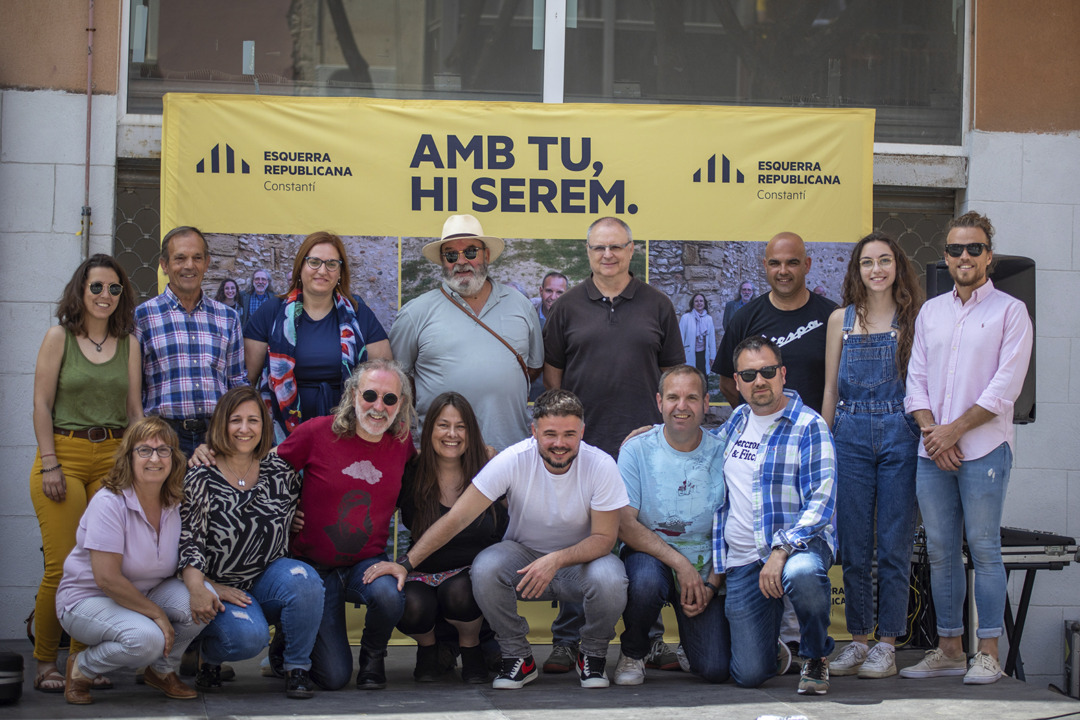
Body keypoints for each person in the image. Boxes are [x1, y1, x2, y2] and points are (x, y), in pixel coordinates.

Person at [366, 389, 629, 690]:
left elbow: (604, 539)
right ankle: (518, 657)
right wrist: (406, 563)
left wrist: (555, 560)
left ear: (582, 431)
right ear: (534, 431)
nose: (559, 443)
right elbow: (456, 518)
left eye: (570, 434)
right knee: (485, 566)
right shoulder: (514, 459)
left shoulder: (601, 464)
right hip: (524, 559)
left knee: (611, 576)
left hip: (581, 563)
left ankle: (592, 655)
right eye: (550, 434)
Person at [541, 216, 683, 672]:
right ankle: (568, 640)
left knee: (646, 541)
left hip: (644, 448)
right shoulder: (565, 307)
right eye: (599, 248)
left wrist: (662, 432)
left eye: (616, 247)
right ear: (587, 252)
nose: (608, 255)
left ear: (631, 250)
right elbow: (553, 379)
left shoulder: (658, 305)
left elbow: (673, 377)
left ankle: (650, 639)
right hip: (582, 447)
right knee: (578, 541)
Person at [899, 211, 1033, 685]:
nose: (964, 257)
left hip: (984, 448)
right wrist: (934, 433)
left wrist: (953, 431)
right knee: (939, 551)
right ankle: (951, 648)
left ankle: (989, 653)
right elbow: (915, 381)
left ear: (989, 256)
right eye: (955, 249)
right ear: (946, 256)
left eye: (973, 249)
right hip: (934, 450)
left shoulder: (1011, 312)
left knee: (983, 548)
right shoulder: (931, 312)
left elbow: (1004, 390)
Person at [29, 254, 142, 694]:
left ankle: (78, 662)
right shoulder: (60, 337)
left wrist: (133, 465)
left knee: (97, 569)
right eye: (96, 287)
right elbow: (40, 404)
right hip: (64, 456)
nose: (105, 296)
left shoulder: (130, 343)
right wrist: (51, 461)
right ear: (81, 290)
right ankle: (43, 663)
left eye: (114, 289)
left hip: (112, 459)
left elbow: (134, 411)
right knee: (60, 566)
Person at [274, 359, 416, 690]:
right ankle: (287, 635)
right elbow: (267, 473)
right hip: (315, 569)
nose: (379, 407)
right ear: (353, 394)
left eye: (390, 399)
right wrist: (286, 512)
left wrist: (482, 454)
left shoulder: (401, 444)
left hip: (365, 564)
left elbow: (429, 479)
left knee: (390, 594)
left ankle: (373, 657)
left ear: (401, 405)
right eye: (370, 395)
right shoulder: (315, 432)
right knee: (333, 677)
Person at [820, 233, 923, 679]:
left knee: (895, 544)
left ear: (897, 266)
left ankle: (888, 644)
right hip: (849, 433)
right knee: (854, 545)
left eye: (884, 261)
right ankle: (859, 639)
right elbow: (829, 389)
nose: (876, 269)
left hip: (901, 430)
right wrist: (824, 442)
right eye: (867, 262)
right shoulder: (839, 320)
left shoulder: (915, 319)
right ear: (857, 270)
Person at [179, 386, 323, 699]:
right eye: (236, 420)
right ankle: (209, 658)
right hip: (219, 587)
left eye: (253, 420)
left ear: (264, 426)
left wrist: (298, 519)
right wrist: (205, 587)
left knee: (305, 579)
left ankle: (296, 668)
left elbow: (304, 506)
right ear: (221, 424)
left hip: (265, 581)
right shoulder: (201, 475)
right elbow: (190, 543)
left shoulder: (281, 472)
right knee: (248, 639)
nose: (245, 429)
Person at [712, 336, 837, 695]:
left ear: (782, 373)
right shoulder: (736, 421)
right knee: (749, 675)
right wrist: (654, 435)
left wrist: (781, 551)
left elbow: (821, 501)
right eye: (748, 375)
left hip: (798, 548)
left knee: (804, 574)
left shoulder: (809, 426)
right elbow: (700, 450)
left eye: (767, 371)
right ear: (736, 382)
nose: (759, 381)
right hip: (744, 559)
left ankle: (814, 655)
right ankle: (777, 648)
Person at [56, 417, 200, 705]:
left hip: (145, 592)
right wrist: (157, 614)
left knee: (200, 605)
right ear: (128, 457)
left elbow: (186, 558)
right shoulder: (109, 502)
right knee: (147, 639)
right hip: (89, 598)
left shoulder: (175, 501)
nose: (155, 458)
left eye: (163, 450)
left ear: (174, 457)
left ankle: (161, 670)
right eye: (144, 450)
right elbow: (106, 578)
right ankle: (83, 667)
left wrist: (209, 589)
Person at [614, 365, 729, 686]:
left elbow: (733, 526)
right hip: (651, 558)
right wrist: (680, 564)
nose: (682, 406)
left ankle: (692, 647)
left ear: (707, 403)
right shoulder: (636, 450)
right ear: (659, 402)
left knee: (716, 669)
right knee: (646, 581)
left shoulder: (724, 453)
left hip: (706, 567)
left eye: (692, 398)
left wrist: (712, 584)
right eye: (673, 397)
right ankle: (634, 651)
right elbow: (625, 525)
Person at [390, 214, 543, 451]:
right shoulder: (415, 313)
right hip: (443, 456)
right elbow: (399, 378)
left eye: (471, 252)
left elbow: (533, 367)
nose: (461, 261)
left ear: (486, 255)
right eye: (451, 255)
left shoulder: (521, 305)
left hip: (509, 451)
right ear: (443, 261)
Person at [395, 392, 508, 684]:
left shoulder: (490, 470)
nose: (452, 434)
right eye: (443, 425)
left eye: (461, 427)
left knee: (459, 591)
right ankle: (429, 650)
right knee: (408, 604)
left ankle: (471, 649)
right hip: (423, 572)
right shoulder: (412, 473)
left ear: (471, 432)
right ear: (430, 428)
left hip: (471, 577)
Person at [245, 231, 392, 441]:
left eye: (332, 264)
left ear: (341, 271)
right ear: (300, 267)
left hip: (349, 432)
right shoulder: (272, 312)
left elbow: (385, 377)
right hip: (282, 436)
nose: (322, 270)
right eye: (314, 262)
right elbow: (246, 381)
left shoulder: (359, 313)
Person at [135, 226, 247, 456]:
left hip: (216, 436)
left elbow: (237, 382)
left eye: (197, 258)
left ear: (207, 263)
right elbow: (134, 389)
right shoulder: (143, 317)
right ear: (164, 265)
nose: (189, 265)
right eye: (180, 258)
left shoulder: (227, 317)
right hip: (162, 437)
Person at [713, 233, 836, 414]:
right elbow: (728, 385)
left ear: (807, 265)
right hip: (762, 438)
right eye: (775, 263)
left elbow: (843, 386)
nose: (783, 271)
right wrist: (757, 421)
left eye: (792, 263)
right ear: (765, 266)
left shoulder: (832, 317)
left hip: (815, 437)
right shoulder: (744, 319)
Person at [679, 293, 716, 375]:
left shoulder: (708, 319)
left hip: (703, 354)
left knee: (703, 378)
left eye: (701, 301)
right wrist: (680, 356)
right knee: (690, 376)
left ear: (704, 303)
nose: (699, 303)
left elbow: (712, 340)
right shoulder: (686, 318)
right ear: (693, 303)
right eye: (696, 301)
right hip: (689, 354)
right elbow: (680, 337)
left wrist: (712, 356)